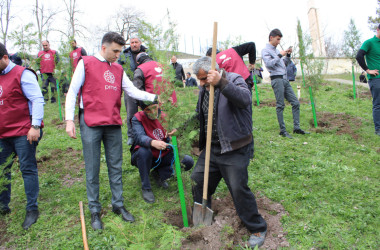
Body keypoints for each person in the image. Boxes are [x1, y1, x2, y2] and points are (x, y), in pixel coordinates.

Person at [65, 32, 158, 230]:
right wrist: (69, 120)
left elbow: (132, 90)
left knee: (115, 166)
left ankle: (118, 204)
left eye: (119, 51)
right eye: (115, 51)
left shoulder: (117, 69)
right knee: (92, 168)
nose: (118, 55)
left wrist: (154, 97)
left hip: (113, 123)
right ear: (104, 47)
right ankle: (95, 210)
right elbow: (73, 91)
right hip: (90, 122)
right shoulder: (86, 63)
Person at [190, 56, 267, 248]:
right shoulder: (204, 89)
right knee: (198, 180)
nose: (200, 83)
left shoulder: (233, 79)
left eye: (203, 78)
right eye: (198, 79)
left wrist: (221, 83)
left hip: (234, 148)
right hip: (212, 149)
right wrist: (182, 129)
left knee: (238, 188)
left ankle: (257, 227)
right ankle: (204, 217)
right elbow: (201, 115)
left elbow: (244, 100)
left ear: (212, 72)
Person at [0, 42, 45, 230]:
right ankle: (3, 205)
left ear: (5, 57)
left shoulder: (22, 74)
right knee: (2, 169)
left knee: (27, 168)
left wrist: (35, 126)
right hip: (2, 133)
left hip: (23, 131)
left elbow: (37, 99)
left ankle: (32, 208)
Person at [262, 29, 309, 138]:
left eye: (279, 39)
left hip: (285, 79)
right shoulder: (265, 51)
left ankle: (296, 128)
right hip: (276, 79)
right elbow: (269, 65)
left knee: (295, 103)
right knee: (280, 105)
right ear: (271, 38)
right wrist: (279, 55)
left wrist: (287, 55)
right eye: (277, 39)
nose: (279, 42)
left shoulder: (276, 51)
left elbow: (284, 64)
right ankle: (282, 131)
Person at [130, 101, 174, 203]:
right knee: (143, 151)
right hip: (145, 155)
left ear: (158, 105)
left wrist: (173, 133)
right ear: (142, 110)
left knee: (187, 161)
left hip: (162, 153)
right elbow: (139, 137)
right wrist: (152, 142)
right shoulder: (137, 118)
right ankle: (146, 187)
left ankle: (159, 174)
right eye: (148, 110)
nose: (152, 112)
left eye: (154, 107)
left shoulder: (164, 116)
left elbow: (172, 136)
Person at [118, 36, 149, 145]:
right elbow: (118, 69)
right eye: (132, 42)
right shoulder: (124, 54)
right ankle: (131, 136)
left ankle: (148, 132)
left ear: (140, 43)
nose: (134, 44)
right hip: (129, 86)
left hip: (144, 86)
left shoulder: (147, 53)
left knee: (148, 110)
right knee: (131, 112)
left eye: (136, 42)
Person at [356, 24, 380, 136]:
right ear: (378, 30)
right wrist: (367, 70)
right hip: (376, 78)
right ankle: (378, 129)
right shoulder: (369, 42)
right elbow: (359, 56)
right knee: (378, 104)